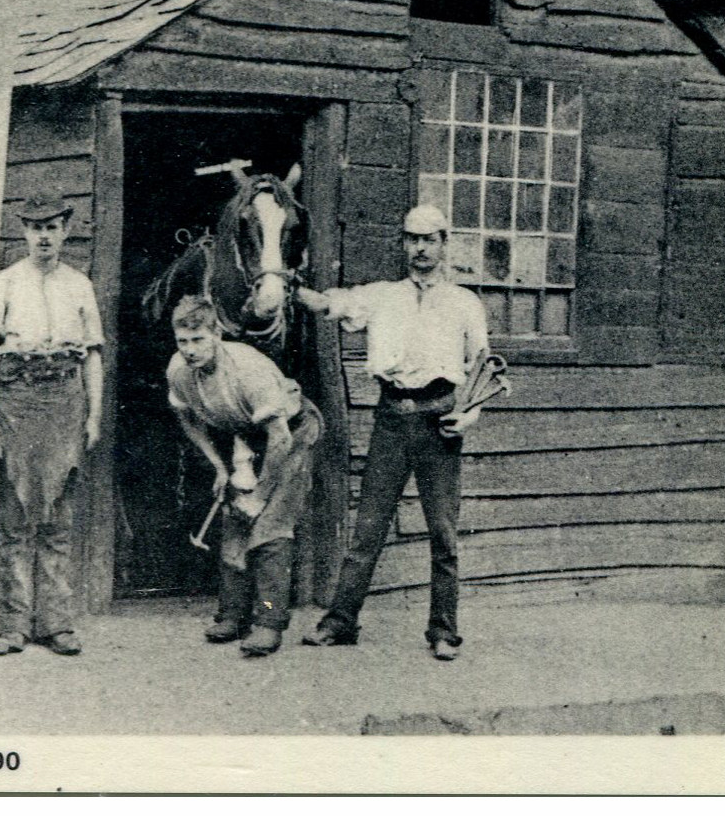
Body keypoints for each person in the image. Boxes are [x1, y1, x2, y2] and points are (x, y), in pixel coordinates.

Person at [297, 204, 489, 661]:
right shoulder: (381, 297)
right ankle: (340, 622)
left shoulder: (465, 303)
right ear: (403, 244)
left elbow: (483, 370)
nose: (420, 249)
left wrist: (467, 417)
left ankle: (443, 632)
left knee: (443, 534)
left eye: (429, 240)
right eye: (411, 239)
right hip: (391, 422)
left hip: (439, 424)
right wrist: (286, 284)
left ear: (444, 243)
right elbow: (329, 303)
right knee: (367, 532)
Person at [0, 193, 103, 656]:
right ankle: (14, 623)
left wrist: (94, 413)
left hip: (64, 398)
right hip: (17, 399)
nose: (43, 236)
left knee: (58, 516)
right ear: (24, 231)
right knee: (16, 514)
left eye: (52, 227)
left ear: (65, 229)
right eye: (34, 227)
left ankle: (56, 623)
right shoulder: (4, 284)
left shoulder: (79, 285)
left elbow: (92, 355)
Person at [165, 296, 322, 657]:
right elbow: (185, 416)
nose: (190, 350)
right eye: (183, 341)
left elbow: (280, 438)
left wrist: (261, 495)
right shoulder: (179, 370)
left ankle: (268, 623)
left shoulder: (248, 371)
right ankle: (233, 616)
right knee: (234, 519)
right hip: (249, 435)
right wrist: (220, 467)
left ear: (216, 334)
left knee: (270, 528)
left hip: (292, 433)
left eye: (198, 340)